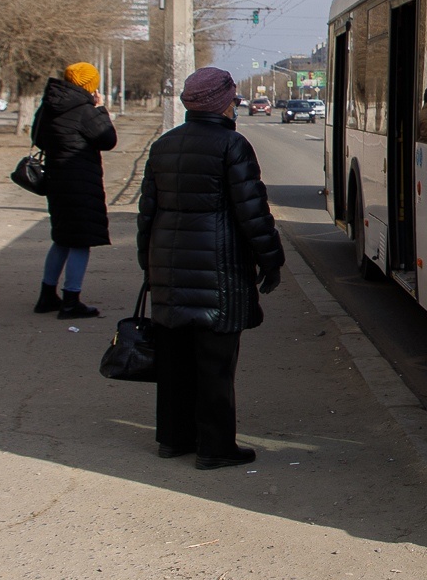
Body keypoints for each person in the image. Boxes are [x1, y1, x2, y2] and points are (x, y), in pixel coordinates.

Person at [137, 66, 284, 470]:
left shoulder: (164, 146)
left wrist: (149, 267)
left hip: (168, 268)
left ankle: (172, 438)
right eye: (233, 99)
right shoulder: (231, 145)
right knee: (215, 365)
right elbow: (252, 214)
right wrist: (271, 261)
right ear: (223, 102)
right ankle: (215, 447)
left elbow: (146, 213)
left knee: (174, 362)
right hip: (218, 274)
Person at [32, 61, 116, 319]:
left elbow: (37, 138)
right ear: (91, 86)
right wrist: (100, 109)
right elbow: (108, 139)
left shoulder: (50, 105)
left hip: (56, 180)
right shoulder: (85, 110)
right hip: (81, 181)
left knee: (62, 237)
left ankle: (47, 295)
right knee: (81, 240)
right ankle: (71, 300)